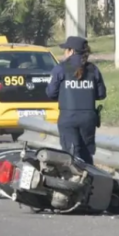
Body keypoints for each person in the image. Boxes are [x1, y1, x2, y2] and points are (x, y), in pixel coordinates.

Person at [46, 36, 106, 166]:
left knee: (70, 155)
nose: (64, 53)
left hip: (68, 118)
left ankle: (73, 181)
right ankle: (89, 180)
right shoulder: (93, 69)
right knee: (86, 155)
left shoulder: (60, 69)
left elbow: (51, 93)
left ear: (71, 51)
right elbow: (101, 95)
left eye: (65, 50)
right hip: (88, 119)